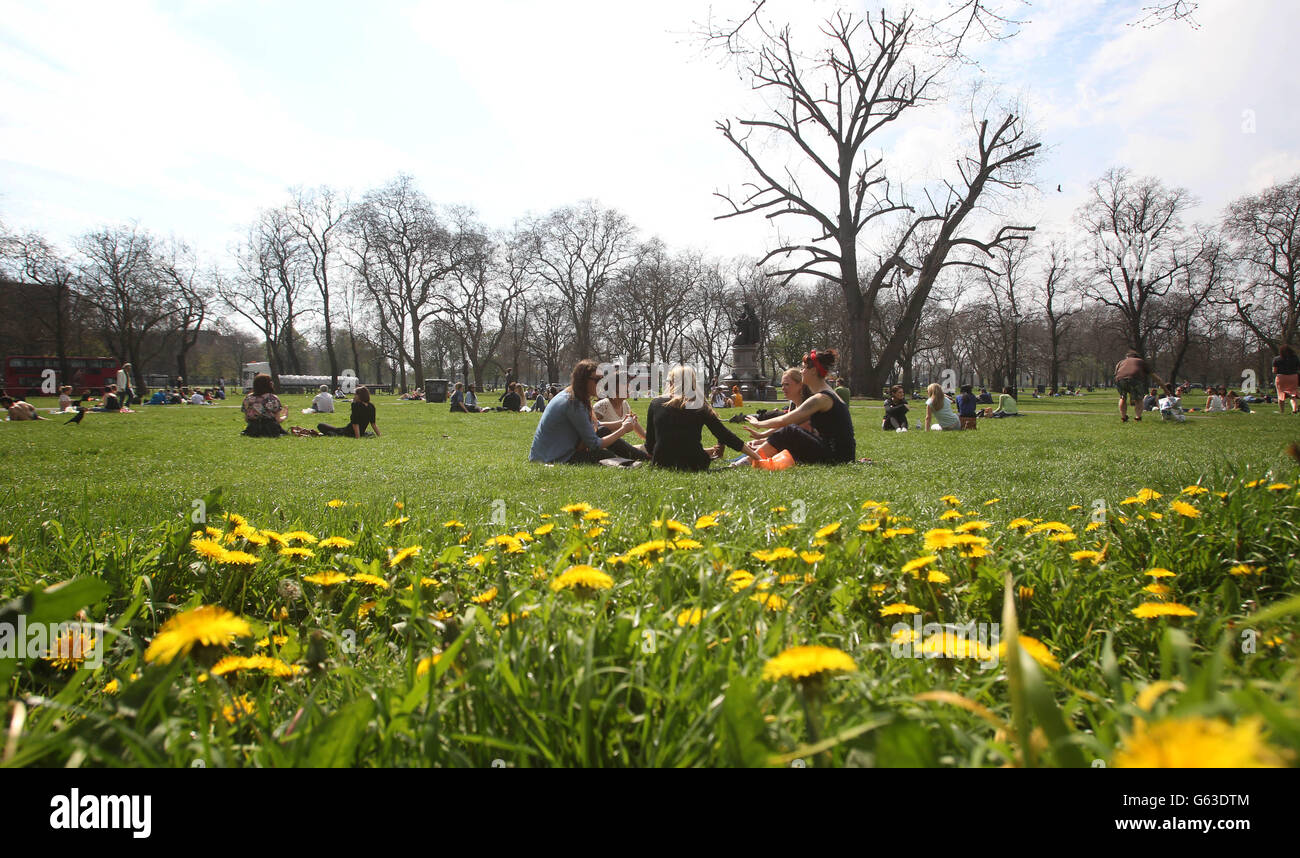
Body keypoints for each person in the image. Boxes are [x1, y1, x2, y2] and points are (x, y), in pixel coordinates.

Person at [743, 348, 855, 464]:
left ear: (813, 371)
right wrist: (763, 435)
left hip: (837, 457)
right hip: (840, 454)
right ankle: (750, 460)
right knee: (790, 431)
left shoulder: (822, 398)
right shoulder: (827, 394)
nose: (801, 371)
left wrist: (758, 424)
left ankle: (746, 462)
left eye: (804, 368)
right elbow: (794, 422)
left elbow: (785, 420)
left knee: (789, 431)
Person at [645, 365, 758, 471]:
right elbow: (725, 435)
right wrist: (756, 457)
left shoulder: (655, 404)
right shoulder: (699, 406)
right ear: (693, 383)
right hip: (695, 463)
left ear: (671, 382)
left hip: (661, 462)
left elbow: (650, 446)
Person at [529, 359, 640, 464]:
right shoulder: (573, 403)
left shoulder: (572, 396)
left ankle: (643, 456)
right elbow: (594, 445)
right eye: (597, 380)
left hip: (545, 455)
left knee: (603, 431)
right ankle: (640, 458)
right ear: (583, 381)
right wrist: (623, 429)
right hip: (553, 458)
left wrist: (622, 423)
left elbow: (594, 425)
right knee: (607, 456)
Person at [1115, 350, 1164, 423]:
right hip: (1135, 378)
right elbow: (1154, 376)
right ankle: (1138, 417)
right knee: (1138, 399)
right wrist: (1164, 387)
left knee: (1123, 397)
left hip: (1119, 379)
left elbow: (1116, 372)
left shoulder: (1121, 362)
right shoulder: (1141, 361)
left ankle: (1123, 417)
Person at [1272, 344, 1299, 414]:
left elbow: (1274, 371)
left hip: (1281, 378)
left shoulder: (1276, 359)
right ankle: (1294, 409)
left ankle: (1282, 411)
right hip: (1293, 377)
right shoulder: (1295, 358)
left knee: (1281, 395)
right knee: (1293, 394)